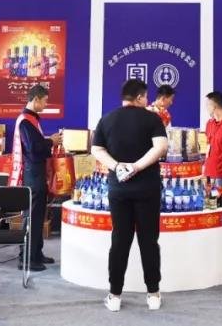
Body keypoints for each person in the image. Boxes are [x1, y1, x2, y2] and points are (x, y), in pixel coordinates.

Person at [91, 79, 169, 312]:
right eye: (146, 97)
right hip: (147, 189)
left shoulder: (107, 119)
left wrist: (117, 167)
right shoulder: (152, 119)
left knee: (119, 241)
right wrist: (136, 167)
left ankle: (114, 295)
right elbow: (161, 147)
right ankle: (153, 294)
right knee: (149, 241)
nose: (147, 100)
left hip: (119, 189)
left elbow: (96, 149)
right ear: (140, 97)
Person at [8, 85, 62, 271]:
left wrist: (48, 141)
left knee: (38, 216)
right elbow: (33, 148)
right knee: (32, 217)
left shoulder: (31, 120)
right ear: (36, 99)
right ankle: (27, 259)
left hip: (37, 173)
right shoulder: (25, 120)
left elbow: (35, 144)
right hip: (32, 174)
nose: (46, 104)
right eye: (45, 100)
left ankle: (37, 253)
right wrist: (51, 141)